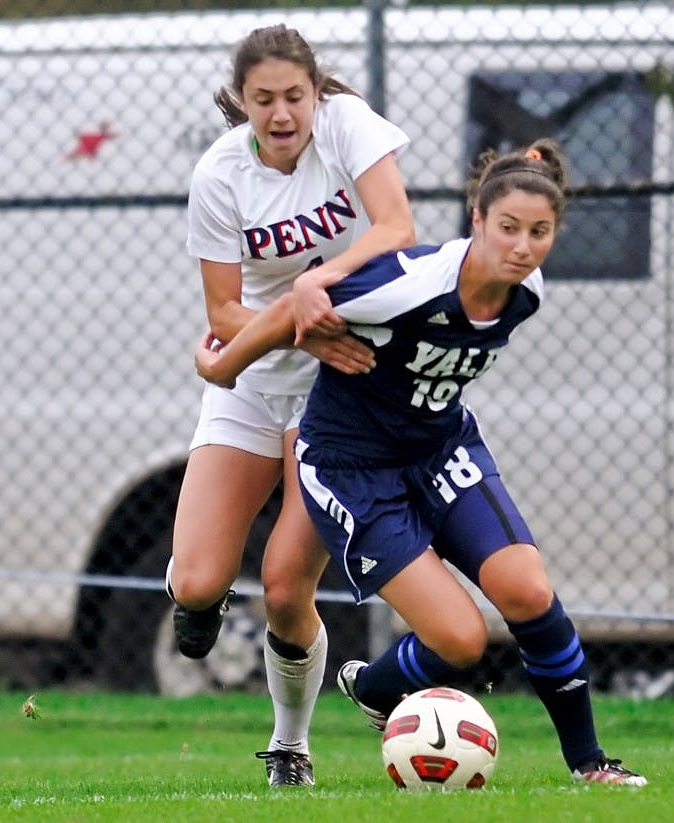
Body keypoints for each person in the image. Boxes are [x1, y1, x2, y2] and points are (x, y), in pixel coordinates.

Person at [194, 139, 647, 786]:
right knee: (461, 641)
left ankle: (589, 762)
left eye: (540, 232)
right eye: (508, 228)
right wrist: (221, 364)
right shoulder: (409, 284)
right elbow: (297, 306)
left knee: (527, 589)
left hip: (439, 447)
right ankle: (373, 688)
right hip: (351, 465)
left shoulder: (528, 291)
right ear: (477, 221)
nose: (522, 247)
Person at [168, 23, 415, 788]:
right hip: (262, 374)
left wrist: (318, 288)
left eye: (295, 97)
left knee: (284, 585)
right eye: (263, 99)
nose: (281, 114)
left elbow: (398, 227)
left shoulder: (348, 127)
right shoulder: (219, 175)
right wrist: (306, 328)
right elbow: (223, 316)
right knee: (201, 579)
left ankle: (290, 745)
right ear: (242, 103)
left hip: (335, 390)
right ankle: (198, 594)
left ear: (317, 92)